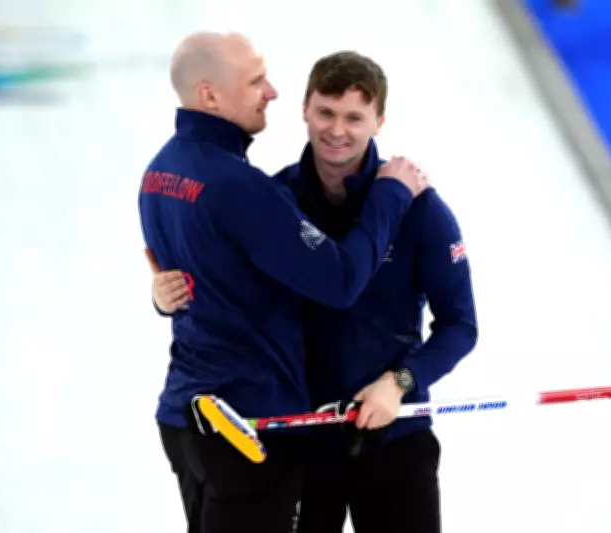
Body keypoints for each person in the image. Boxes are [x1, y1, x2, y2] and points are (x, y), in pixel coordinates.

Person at [151, 50, 478, 533]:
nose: (337, 130)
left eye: (354, 117)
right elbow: (228, 297)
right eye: (326, 111)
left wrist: (400, 383)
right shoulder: (275, 200)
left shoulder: (420, 212)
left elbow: (460, 326)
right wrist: (167, 295)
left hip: (394, 439)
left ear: (379, 122)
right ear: (305, 109)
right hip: (300, 442)